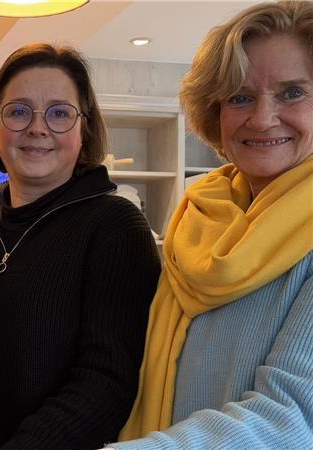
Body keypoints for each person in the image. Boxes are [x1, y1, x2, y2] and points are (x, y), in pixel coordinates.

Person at [0, 43, 161, 449]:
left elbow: (107, 381)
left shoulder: (116, 226)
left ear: (84, 129)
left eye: (59, 113)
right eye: (18, 111)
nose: (37, 128)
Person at [113, 1, 313, 448]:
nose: (262, 118)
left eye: (291, 92)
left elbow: (291, 418)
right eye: (240, 97)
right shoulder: (199, 212)